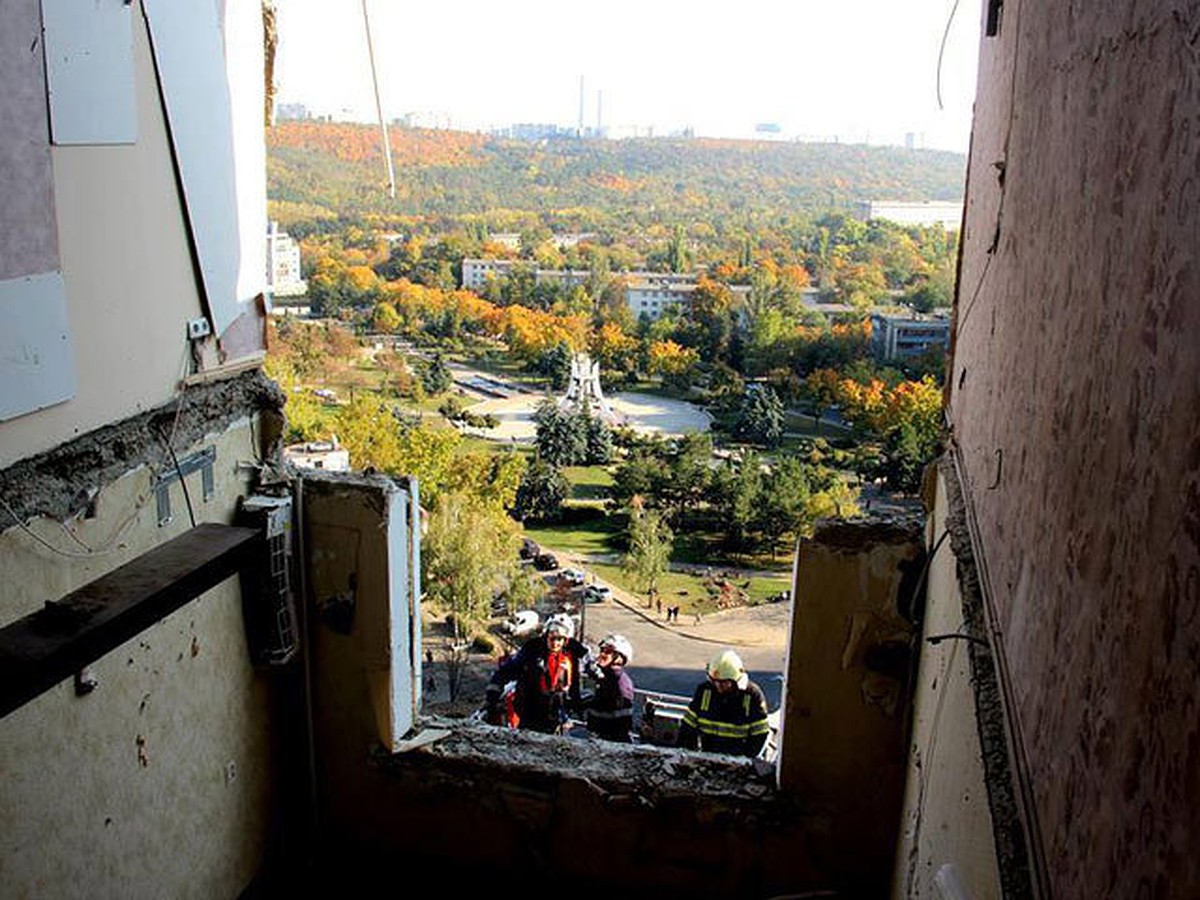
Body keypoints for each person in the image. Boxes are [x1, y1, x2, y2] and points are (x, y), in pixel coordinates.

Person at [485, 613, 588, 734]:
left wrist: (577, 708)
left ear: (566, 640)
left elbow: (574, 683)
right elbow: (507, 670)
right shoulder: (532, 651)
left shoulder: (570, 656)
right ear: (546, 636)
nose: (555, 643)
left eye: (559, 639)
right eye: (552, 638)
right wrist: (493, 692)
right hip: (530, 714)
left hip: (556, 716)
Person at [676, 649, 770, 758]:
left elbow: (760, 735)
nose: (718, 686)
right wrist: (687, 755)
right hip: (707, 756)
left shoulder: (752, 695)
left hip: (738, 760)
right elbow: (688, 727)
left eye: (724, 682)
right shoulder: (704, 691)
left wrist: (744, 762)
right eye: (714, 681)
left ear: (736, 681)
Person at [584, 634, 635, 742]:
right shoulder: (607, 677)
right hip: (599, 736)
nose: (602, 654)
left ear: (619, 658)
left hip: (609, 740)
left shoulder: (621, 684)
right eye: (602, 650)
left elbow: (622, 723)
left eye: (608, 651)